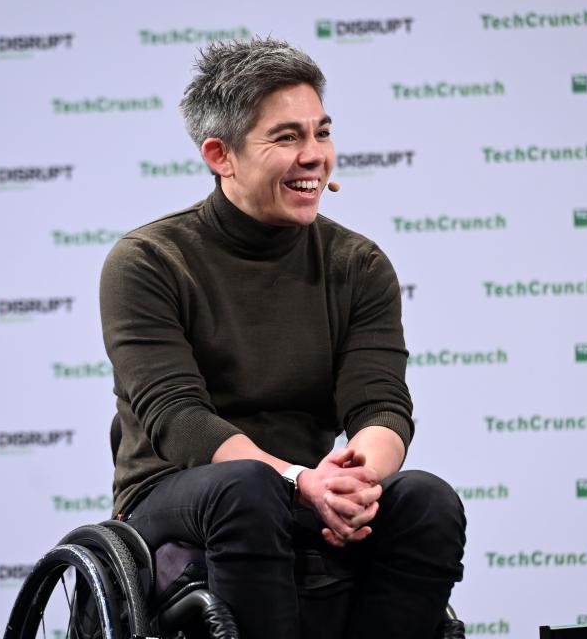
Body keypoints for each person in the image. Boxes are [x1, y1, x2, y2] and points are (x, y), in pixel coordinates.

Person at [99, 38, 465, 639]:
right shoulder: (148, 262)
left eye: (321, 133)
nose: (315, 156)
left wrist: (355, 481)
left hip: (308, 489)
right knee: (250, 488)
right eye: (287, 137)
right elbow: (178, 417)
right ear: (222, 155)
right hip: (178, 492)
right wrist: (298, 480)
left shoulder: (358, 264)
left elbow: (380, 405)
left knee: (427, 499)